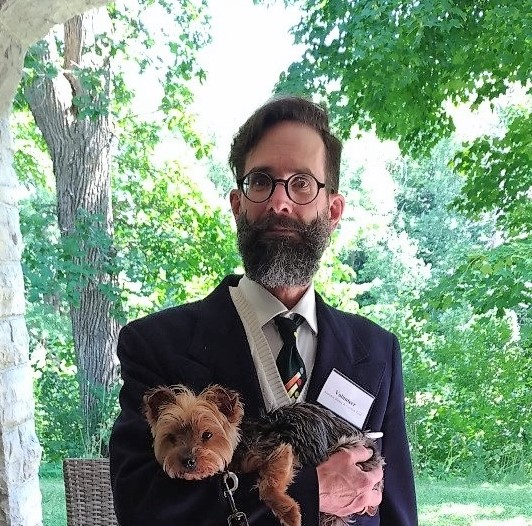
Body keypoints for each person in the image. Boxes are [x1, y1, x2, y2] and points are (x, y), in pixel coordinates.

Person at [109, 95, 418, 525]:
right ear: (238, 204)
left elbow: (396, 507)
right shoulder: (156, 345)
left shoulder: (377, 352)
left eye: (302, 183)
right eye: (261, 181)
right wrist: (310, 492)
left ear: (333, 210)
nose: (279, 203)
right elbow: (140, 505)